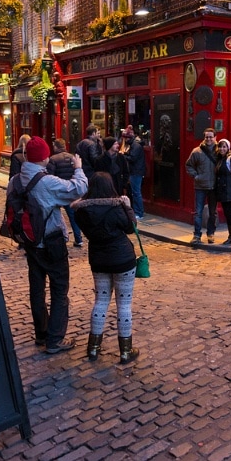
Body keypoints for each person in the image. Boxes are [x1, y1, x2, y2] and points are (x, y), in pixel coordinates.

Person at [15, 136, 87, 353]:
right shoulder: (47, 182)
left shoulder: (16, 180)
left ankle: (41, 333)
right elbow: (78, 188)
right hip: (51, 241)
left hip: (30, 241)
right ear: (44, 157)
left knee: (36, 289)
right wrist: (79, 168)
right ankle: (55, 339)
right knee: (59, 289)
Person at [72, 172, 140, 364]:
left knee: (100, 301)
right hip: (122, 259)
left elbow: (83, 225)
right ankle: (126, 351)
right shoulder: (117, 207)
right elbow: (131, 227)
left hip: (99, 259)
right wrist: (127, 207)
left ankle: (93, 347)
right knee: (124, 305)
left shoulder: (82, 211)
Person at [47, 138, 84, 247]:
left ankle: (55, 239)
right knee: (73, 217)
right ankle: (79, 238)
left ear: (56, 147)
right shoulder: (72, 157)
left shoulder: (53, 159)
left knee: (53, 216)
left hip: (57, 191)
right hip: (69, 191)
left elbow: (50, 176)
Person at [185, 128, 219, 244]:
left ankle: (210, 234)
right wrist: (196, 176)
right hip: (200, 186)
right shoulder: (197, 151)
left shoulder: (219, 151)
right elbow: (189, 165)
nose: (209, 139)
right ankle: (197, 235)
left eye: (211, 137)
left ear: (215, 138)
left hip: (214, 186)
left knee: (213, 212)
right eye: (207, 137)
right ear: (204, 138)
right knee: (198, 212)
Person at [120, 126, 146, 219]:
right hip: (135, 171)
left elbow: (132, 158)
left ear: (129, 138)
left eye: (126, 138)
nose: (125, 140)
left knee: (136, 193)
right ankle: (137, 211)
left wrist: (123, 155)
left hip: (136, 172)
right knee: (134, 192)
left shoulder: (135, 146)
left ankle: (139, 213)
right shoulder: (134, 145)